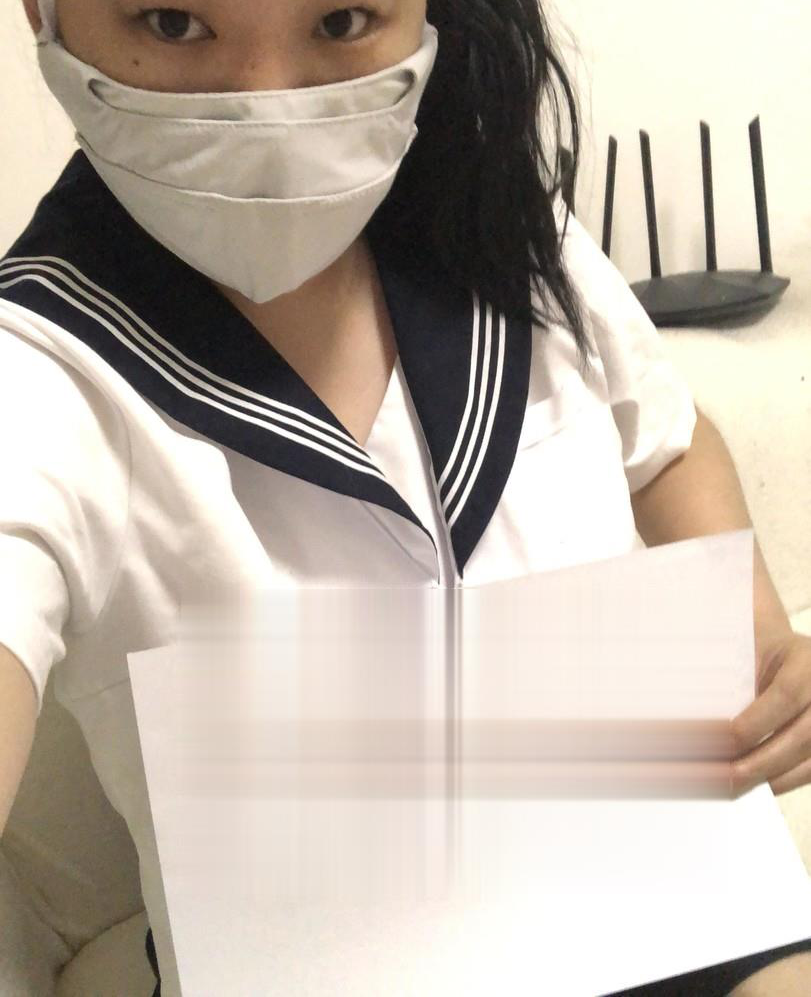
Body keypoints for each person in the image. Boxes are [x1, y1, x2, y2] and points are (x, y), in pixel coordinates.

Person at [2, 1, 810, 995]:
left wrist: (761, 634)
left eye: (342, 21)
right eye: (172, 23)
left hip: (648, 891)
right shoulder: (37, 370)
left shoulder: (507, 225)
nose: (267, 108)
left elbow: (666, 442)